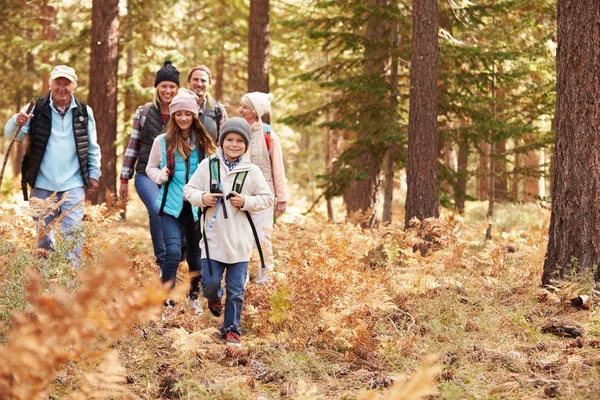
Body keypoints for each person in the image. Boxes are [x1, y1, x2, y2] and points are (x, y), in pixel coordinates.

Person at [184, 117, 273, 346]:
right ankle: (214, 299)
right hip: (213, 239)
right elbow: (189, 190)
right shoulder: (208, 166)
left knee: (236, 290)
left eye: (239, 141)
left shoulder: (251, 171)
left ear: (246, 144)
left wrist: (246, 201)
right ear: (222, 141)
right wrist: (202, 198)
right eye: (229, 140)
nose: (234, 145)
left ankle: (231, 329)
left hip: (240, 241)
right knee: (211, 283)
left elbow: (267, 198)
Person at [4, 65, 101, 266]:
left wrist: (94, 173)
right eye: (58, 83)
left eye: (66, 84)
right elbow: (11, 134)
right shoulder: (35, 108)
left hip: (73, 183)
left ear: (73, 86)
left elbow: (92, 146)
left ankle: (70, 283)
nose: (62, 88)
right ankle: (45, 284)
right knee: (44, 240)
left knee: (73, 236)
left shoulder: (84, 111)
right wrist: (17, 121)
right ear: (50, 85)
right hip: (42, 184)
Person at [146, 88, 217, 315]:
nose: (183, 118)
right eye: (179, 114)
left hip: (196, 207)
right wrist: (161, 176)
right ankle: (167, 302)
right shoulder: (163, 141)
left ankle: (194, 298)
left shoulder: (204, 143)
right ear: (173, 116)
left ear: (194, 115)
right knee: (173, 253)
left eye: (188, 113)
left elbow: (214, 169)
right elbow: (150, 168)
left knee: (196, 257)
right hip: (171, 206)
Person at [119, 60, 180, 269]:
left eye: (172, 86)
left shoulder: (183, 113)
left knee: (175, 213)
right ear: (157, 88)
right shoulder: (144, 112)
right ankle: (163, 262)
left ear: (178, 89)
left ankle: (175, 256)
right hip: (146, 173)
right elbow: (133, 146)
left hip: (175, 176)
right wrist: (124, 178)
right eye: (164, 86)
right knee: (157, 209)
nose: (168, 90)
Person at [238, 92, 288, 283]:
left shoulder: (269, 135)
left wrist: (281, 198)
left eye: (245, 107)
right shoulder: (236, 131)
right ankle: (240, 279)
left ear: (255, 111)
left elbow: (278, 168)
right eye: (241, 106)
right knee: (241, 238)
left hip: (264, 194)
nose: (240, 110)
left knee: (262, 237)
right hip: (240, 194)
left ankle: (265, 280)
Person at [187, 64, 227, 142]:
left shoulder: (219, 110)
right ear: (189, 82)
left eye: (203, 80)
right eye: (195, 79)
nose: (199, 84)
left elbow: (224, 140)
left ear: (209, 84)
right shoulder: (178, 106)